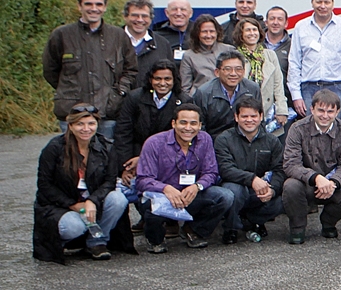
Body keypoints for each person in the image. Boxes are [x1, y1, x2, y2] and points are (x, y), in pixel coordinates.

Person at [33, 104, 131, 263]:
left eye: (91, 124)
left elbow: (110, 181)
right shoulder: (54, 148)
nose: (86, 129)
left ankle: (97, 241)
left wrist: (92, 200)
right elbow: (45, 185)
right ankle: (63, 241)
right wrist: (72, 204)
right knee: (73, 227)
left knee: (119, 198)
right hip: (60, 205)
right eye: (80, 124)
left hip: (92, 201)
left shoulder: (107, 146)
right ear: (70, 126)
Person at [134, 103, 234, 253]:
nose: (188, 128)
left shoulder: (205, 140)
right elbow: (142, 180)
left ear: (200, 125)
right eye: (183, 122)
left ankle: (192, 230)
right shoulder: (154, 143)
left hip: (190, 194)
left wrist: (197, 186)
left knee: (225, 196)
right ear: (173, 123)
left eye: (193, 123)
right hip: (161, 195)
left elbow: (212, 173)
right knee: (150, 205)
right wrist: (166, 189)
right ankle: (154, 238)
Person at [43, 0, 137, 137]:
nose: (94, 8)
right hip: (72, 113)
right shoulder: (62, 35)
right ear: (79, 6)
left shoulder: (118, 36)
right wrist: (69, 89)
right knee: (72, 157)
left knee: (104, 157)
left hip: (107, 112)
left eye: (99, 4)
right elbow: (50, 70)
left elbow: (131, 69)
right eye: (88, 4)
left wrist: (117, 93)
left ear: (105, 7)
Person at [282, 89, 341, 243]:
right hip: (306, 183)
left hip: (332, 185)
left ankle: (328, 223)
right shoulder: (297, 129)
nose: (325, 115)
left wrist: (333, 183)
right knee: (290, 186)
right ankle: (297, 228)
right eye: (321, 110)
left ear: (338, 111)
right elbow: (291, 163)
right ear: (312, 109)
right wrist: (315, 178)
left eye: (330, 111)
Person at [114, 60, 184, 227]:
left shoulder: (182, 101)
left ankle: (170, 220)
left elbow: (181, 139)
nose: (162, 83)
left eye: (167, 79)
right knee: (129, 184)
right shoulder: (135, 98)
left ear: (174, 80)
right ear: (150, 79)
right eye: (157, 79)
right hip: (133, 155)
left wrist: (144, 159)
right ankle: (146, 216)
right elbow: (123, 133)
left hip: (168, 158)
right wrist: (126, 167)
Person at [214, 95, 286, 244]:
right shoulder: (224, 139)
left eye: (253, 116)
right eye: (244, 116)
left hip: (259, 190)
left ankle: (253, 221)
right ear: (236, 117)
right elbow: (225, 169)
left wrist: (272, 190)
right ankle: (231, 228)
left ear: (261, 116)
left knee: (283, 198)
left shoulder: (272, 141)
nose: (249, 120)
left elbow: (280, 169)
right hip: (235, 185)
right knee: (234, 192)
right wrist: (252, 179)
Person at [286, 0, 341, 119]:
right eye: (318, 2)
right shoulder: (300, 27)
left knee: (336, 132)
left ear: (333, 4)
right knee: (311, 132)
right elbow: (294, 62)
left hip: (338, 87)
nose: (323, 6)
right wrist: (296, 95)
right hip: (308, 88)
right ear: (312, 3)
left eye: (326, 2)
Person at [232, 17, 287, 131]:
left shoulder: (270, 55)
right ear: (240, 34)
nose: (252, 33)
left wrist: (281, 110)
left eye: (255, 30)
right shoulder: (234, 56)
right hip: (242, 113)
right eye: (248, 30)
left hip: (267, 113)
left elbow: (278, 85)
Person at [193, 51, 262, 137]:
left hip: (245, 140)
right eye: (228, 69)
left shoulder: (252, 89)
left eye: (238, 69)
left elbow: (259, 120)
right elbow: (199, 125)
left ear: (244, 71)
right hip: (213, 140)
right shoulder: (204, 92)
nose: (233, 73)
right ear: (217, 72)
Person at [122, 0, 174, 90]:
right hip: (117, 101)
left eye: (144, 16)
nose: (140, 20)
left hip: (150, 102)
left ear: (151, 18)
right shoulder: (113, 40)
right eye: (135, 15)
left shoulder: (163, 44)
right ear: (125, 16)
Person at [178, 13, 235, 96]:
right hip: (200, 100)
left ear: (217, 32)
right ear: (197, 34)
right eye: (204, 32)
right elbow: (185, 88)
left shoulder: (229, 50)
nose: (208, 36)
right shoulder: (189, 56)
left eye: (212, 31)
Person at [152, 0, 193, 70]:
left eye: (183, 9)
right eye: (174, 9)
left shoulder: (198, 33)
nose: (178, 13)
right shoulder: (157, 35)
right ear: (167, 13)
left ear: (190, 13)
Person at [263, 6, 293, 99]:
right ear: (266, 23)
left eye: (280, 19)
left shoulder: (293, 46)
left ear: (286, 23)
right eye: (272, 19)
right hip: (259, 100)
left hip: (285, 99)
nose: (275, 22)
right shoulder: (256, 44)